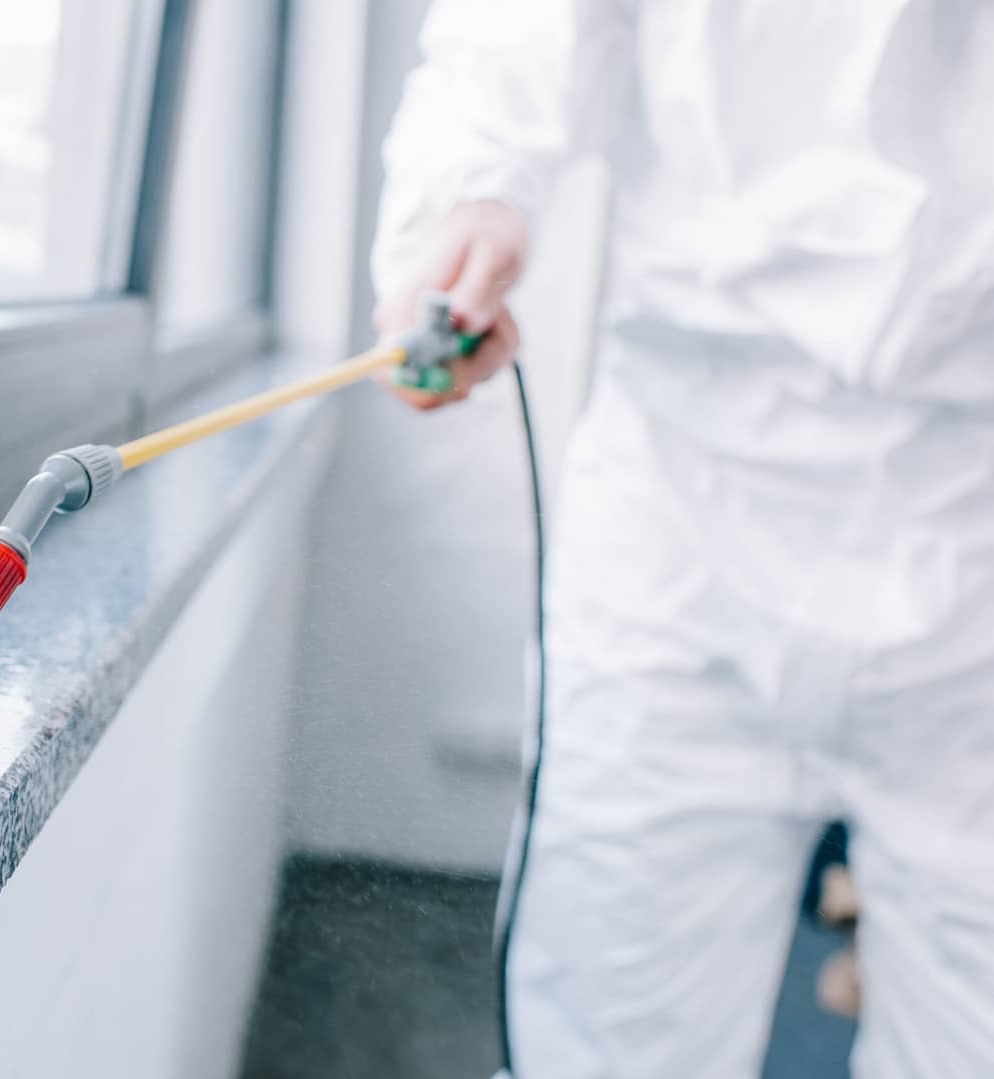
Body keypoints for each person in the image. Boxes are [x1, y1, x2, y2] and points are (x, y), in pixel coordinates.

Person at [370, 2, 994, 1076]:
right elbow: (511, 36)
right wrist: (462, 200)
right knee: (613, 1029)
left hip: (971, 520)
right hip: (681, 514)